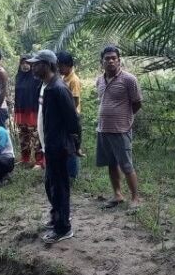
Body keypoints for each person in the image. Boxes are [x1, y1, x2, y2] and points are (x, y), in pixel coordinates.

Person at [27, 50, 80, 244]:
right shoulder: (46, 86)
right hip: (49, 144)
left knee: (59, 186)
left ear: (48, 65)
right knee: (51, 185)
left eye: (37, 64)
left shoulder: (58, 88)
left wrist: (76, 145)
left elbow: (73, 120)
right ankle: (56, 217)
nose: (33, 67)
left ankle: (63, 228)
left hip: (58, 146)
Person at [95, 46, 143, 209]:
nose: (110, 61)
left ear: (119, 60)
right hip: (103, 129)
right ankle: (117, 195)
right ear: (102, 61)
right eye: (107, 58)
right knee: (111, 163)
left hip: (121, 129)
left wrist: (125, 119)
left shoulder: (129, 79)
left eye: (114, 58)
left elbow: (137, 103)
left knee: (126, 165)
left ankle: (136, 198)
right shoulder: (99, 80)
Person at [14, 55, 44, 168]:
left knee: (36, 137)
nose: (25, 65)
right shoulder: (18, 77)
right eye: (22, 63)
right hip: (21, 111)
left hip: (33, 111)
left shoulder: (37, 79)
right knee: (23, 135)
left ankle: (39, 161)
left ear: (32, 65)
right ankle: (25, 158)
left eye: (27, 63)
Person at [57, 51, 84, 178]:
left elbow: (75, 100)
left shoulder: (74, 80)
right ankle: (66, 171)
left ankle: (72, 174)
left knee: (72, 145)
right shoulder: (63, 78)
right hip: (64, 116)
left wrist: (69, 117)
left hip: (72, 116)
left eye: (61, 65)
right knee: (65, 144)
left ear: (68, 65)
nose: (59, 68)